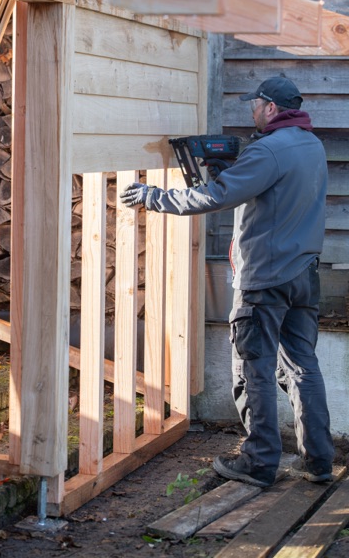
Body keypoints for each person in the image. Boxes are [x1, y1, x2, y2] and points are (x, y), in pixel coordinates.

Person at [121, 76, 334, 488]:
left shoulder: (268, 150)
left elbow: (214, 197)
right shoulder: (311, 145)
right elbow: (272, 193)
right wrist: (234, 174)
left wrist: (153, 197)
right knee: (303, 367)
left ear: (271, 108)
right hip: (304, 276)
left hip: (265, 280)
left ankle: (258, 463)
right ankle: (319, 461)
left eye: (255, 104)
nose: (251, 111)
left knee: (253, 368)